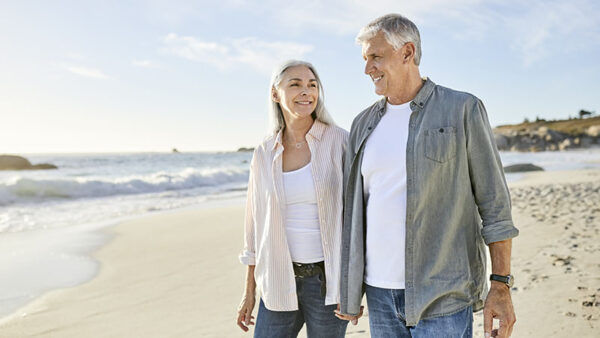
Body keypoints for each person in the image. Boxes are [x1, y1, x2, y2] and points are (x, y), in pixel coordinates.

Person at [335, 14, 519, 338]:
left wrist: (500, 284)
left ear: (407, 53)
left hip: (443, 295)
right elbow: (353, 213)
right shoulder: (362, 124)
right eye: (365, 60)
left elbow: (494, 204)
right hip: (379, 295)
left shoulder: (463, 109)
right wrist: (349, 291)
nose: (368, 69)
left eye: (376, 57)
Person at [236, 60, 349, 337]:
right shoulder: (264, 152)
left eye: (312, 85)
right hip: (276, 279)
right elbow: (253, 227)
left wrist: (352, 285)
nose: (306, 92)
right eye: (295, 84)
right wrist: (249, 290)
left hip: (328, 284)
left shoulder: (340, 142)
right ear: (276, 93)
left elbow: (359, 217)